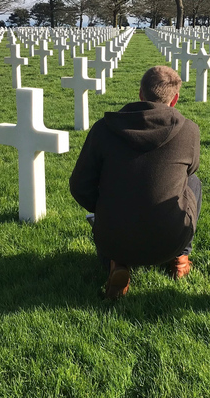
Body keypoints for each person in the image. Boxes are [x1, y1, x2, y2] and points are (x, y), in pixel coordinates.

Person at [69, 65, 202, 299]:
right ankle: (181, 257)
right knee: (192, 182)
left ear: (140, 94)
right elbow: (191, 168)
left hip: (113, 239)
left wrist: (102, 209)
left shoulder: (103, 129)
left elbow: (80, 185)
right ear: (175, 100)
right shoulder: (189, 131)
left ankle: (118, 264)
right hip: (169, 240)